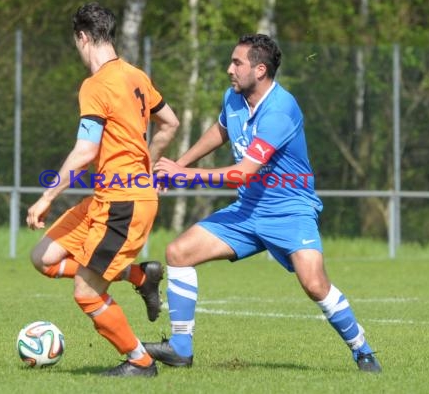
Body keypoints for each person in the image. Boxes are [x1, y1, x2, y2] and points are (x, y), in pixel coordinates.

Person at [146, 34, 382, 373]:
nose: (230, 69)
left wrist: (186, 175)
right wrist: (180, 164)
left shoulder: (281, 109)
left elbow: (242, 173)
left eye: (237, 63)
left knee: (314, 284)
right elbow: (221, 130)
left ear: (260, 69)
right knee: (179, 253)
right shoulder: (235, 97)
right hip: (248, 210)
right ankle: (181, 348)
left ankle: (362, 350)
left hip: (290, 210)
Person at [26, 2, 179, 377]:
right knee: (43, 257)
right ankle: (141, 277)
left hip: (122, 204)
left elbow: (85, 150)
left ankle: (140, 362)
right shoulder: (135, 75)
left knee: (87, 292)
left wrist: (47, 196)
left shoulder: (95, 85)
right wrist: (146, 164)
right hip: (107, 198)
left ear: (82, 37)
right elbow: (170, 123)